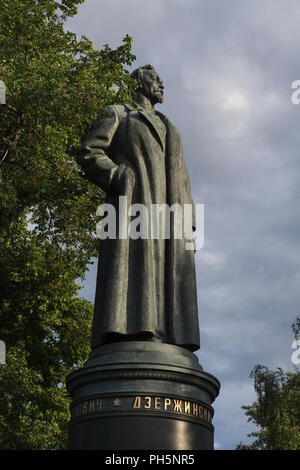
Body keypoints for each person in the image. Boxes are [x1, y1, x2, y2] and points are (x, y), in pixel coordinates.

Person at [77, 64, 200, 352]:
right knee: (137, 267)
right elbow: (88, 152)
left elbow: (182, 175)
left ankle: (168, 335)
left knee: (170, 274)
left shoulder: (170, 126)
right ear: (139, 82)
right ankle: (132, 332)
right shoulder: (119, 113)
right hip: (134, 206)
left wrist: (190, 222)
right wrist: (117, 175)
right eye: (155, 78)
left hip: (171, 216)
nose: (161, 84)